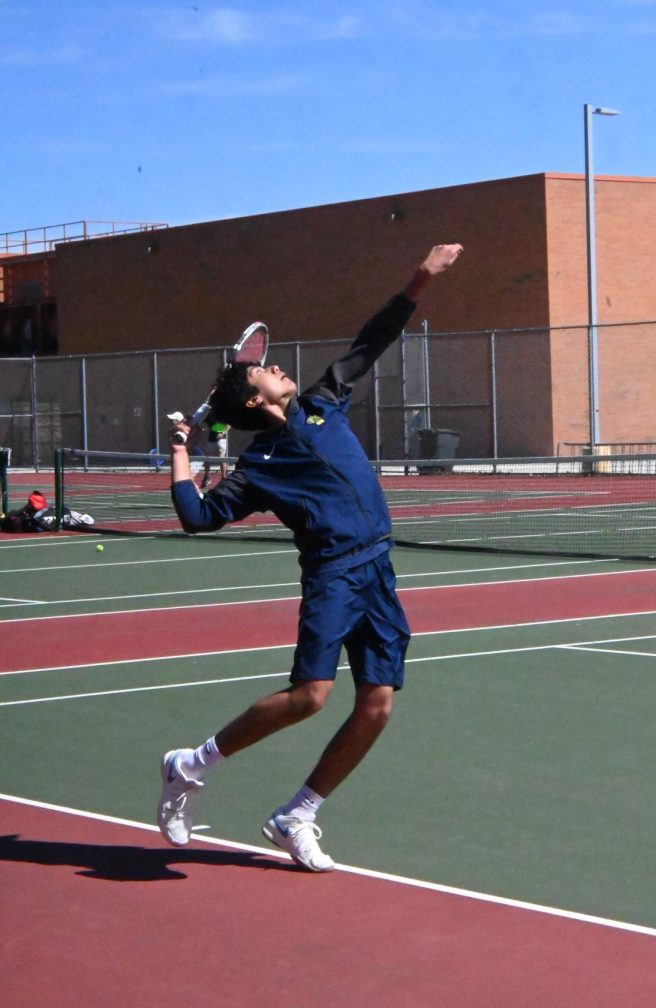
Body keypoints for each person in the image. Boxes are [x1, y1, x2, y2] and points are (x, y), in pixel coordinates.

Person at [157, 243, 464, 871]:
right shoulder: (257, 468)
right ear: (252, 399)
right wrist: (181, 449)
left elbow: (370, 341)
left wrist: (419, 279)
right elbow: (196, 517)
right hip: (334, 576)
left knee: (377, 704)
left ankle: (297, 815)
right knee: (311, 696)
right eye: (264, 369)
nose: (274, 367)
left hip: (378, 566)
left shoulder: (324, 401)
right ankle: (190, 765)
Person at [199, 419, 229, 490]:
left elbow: (229, 425)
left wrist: (222, 433)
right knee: (207, 458)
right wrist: (200, 428)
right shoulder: (209, 414)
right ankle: (207, 477)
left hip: (222, 439)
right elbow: (200, 421)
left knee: (221, 458)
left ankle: (223, 479)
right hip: (211, 439)